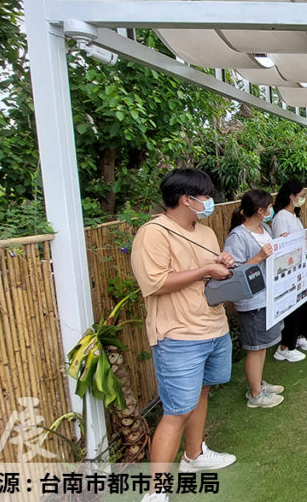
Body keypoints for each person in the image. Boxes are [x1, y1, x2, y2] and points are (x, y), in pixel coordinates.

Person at [130, 168, 236, 500]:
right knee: (176, 411)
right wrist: (206, 269)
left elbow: (210, 273)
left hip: (213, 327)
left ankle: (194, 455)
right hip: (178, 336)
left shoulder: (204, 232)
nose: (209, 201)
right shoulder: (153, 233)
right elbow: (155, 282)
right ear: (185, 199)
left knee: (202, 394)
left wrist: (222, 262)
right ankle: (156, 491)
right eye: (205, 196)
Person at [223, 190, 285, 408]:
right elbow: (232, 272)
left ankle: (257, 384)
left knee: (263, 346)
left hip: (269, 296)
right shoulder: (238, 236)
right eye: (269, 207)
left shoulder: (265, 228)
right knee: (255, 347)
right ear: (260, 211)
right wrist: (259, 257)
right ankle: (256, 395)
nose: (272, 210)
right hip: (253, 301)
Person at [270, 179, 307, 363]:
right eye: (301, 195)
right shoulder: (281, 217)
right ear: (291, 196)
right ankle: (285, 347)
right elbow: (282, 246)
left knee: (302, 304)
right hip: (288, 271)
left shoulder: (293, 216)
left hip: (300, 269)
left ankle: (298, 337)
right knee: (292, 309)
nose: (303, 198)